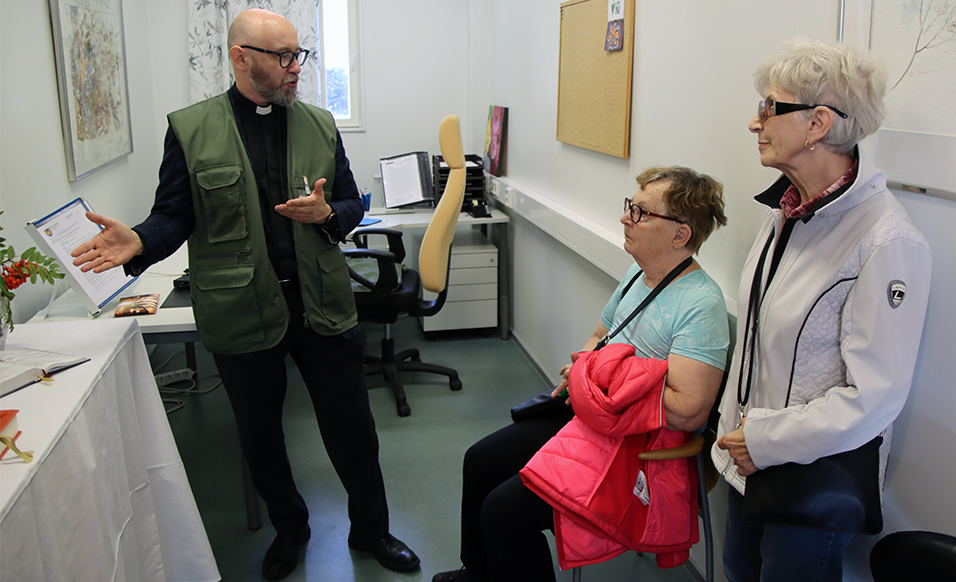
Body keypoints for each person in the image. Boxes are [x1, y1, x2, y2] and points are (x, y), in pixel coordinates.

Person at [70, 9, 419, 580]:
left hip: (321, 305)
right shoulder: (191, 129)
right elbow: (175, 214)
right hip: (241, 308)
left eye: (298, 54)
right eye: (282, 57)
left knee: (352, 428)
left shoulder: (319, 124)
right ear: (240, 58)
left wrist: (329, 213)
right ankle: (291, 529)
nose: (295, 67)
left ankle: (372, 529)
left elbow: (353, 204)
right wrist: (140, 241)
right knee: (260, 437)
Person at [433, 166, 730, 582]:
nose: (625, 218)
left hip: (637, 444)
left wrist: (600, 377)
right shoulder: (639, 275)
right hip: (595, 416)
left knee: (504, 514)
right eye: (630, 207)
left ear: (680, 234)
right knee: (479, 461)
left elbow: (688, 410)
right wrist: (588, 370)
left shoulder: (702, 304)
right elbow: (598, 337)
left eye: (641, 212)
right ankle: (479, 574)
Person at [712, 39, 932, 582]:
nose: (755, 122)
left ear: (817, 124)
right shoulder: (788, 210)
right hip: (747, 460)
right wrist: (737, 434)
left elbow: (876, 395)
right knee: (739, 571)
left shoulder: (887, 240)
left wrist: (765, 440)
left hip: (808, 475)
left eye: (769, 107)